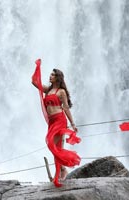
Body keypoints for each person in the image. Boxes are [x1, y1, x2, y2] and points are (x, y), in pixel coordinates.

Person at [32, 59, 81, 187]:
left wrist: (73, 124)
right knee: (53, 146)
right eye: (50, 74)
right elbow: (34, 82)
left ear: (58, 77)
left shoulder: (61, 92)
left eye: (53, 75)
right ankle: (62, 170)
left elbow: (65, 108)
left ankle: (60, 172)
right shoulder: (48, 90)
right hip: (51, 122)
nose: (50, 76)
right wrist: (37, 67)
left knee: (54, 145)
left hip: (60, 120)